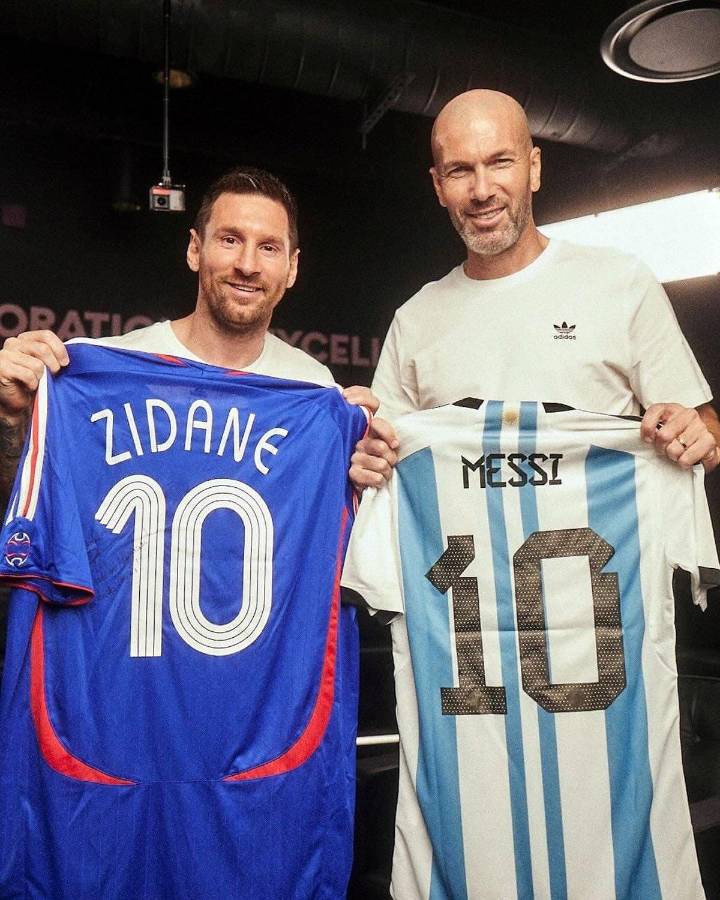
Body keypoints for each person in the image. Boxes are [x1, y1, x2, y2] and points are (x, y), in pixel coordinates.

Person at [350, 89, 720, 483]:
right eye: (459, 170)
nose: (482, 190)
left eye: (500, 162)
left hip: (610, 545)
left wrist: (696, 437)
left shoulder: (621, 282)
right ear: (438, 186)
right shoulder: (414, 320)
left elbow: (704, 429)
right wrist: (370, 460)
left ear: (534, 167)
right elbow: (386, 458)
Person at [0, 167, 375, 497]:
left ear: (291, 268)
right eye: (230, 240)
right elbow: (31, 501)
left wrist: (366, 473)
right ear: (195, 250)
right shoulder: (104, 373)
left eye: (268, 248)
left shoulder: (314, 390)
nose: (247, 264)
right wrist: (11, 417)